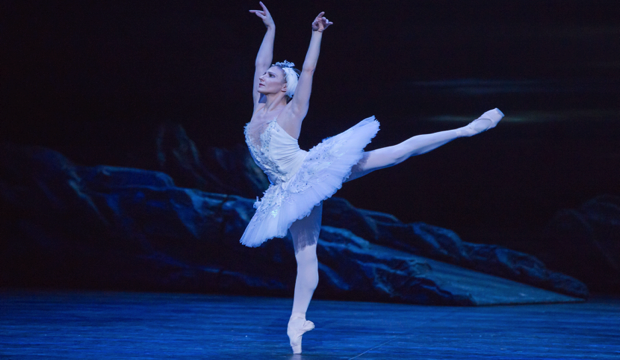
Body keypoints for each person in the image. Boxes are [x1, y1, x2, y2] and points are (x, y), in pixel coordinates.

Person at [244, 2, 504, 354]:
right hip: (287, 190)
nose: (263, 77)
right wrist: (270, 29)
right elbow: (260, 63)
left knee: (395, 153)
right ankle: (297, 321)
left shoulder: (293, 109)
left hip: (312, 172)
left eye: (272, 76)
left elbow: (307, 70)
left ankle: (466, 130)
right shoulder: (259, 107)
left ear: (284, 87)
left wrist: (316, 34)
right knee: (305, 257)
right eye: (266, 75)